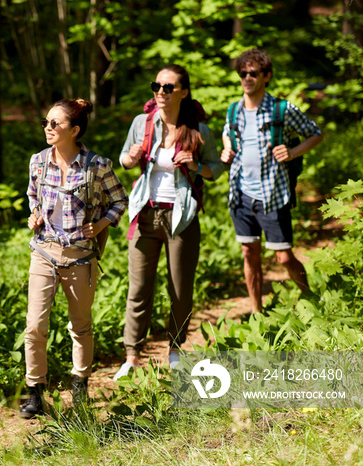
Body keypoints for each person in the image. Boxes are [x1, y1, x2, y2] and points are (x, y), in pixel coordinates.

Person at [113, 64, 224, 380]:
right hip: (146, 214)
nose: (160, 92)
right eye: (156, 86)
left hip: (182, 216)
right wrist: (131, 158)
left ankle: (175, 351)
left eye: (168, 87)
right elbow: (124, 158)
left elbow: (215, 169)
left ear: (183, 92)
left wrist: (197, 164)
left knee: (180, 289)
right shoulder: (141, 123)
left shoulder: (199, 130)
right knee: (138, 288)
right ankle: (132, 356)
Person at [21, 99, 128, 418]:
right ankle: (34, 392)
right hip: (43, 252)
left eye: (55, 123)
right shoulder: (38, 161)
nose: (48, 128)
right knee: (34, 325)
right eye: (45, 122)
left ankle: (79, 384)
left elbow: (119, 200)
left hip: (81, 257)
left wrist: (101, 224)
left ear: (75, 130)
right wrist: (35, 215)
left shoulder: (97, 165)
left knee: (80, 325)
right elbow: (32, 195)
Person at [220, 49, 323, 314]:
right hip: (241, 195)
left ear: (266, 76)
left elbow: (315, 134)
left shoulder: (282, 109)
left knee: (283, 256)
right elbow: (227, 134)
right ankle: (257, 312)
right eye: (243, 73)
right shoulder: (234, 110)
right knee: (248, 253)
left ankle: (311, 301)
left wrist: (292, 152)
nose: (247, 78)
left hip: (273, 195)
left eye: (253, 73)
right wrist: (226, 148)